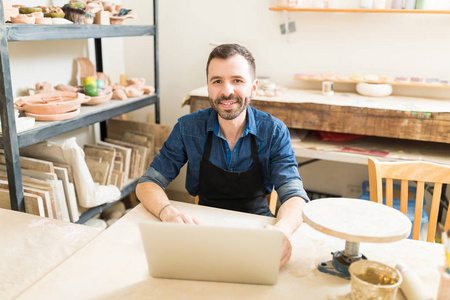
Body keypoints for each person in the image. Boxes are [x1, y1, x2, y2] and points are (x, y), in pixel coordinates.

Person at [136, 43, 309, 268]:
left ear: (253, 87)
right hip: (202, 230)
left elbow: (294, 194)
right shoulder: (188, 128)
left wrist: (282, 231)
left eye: (237, 80)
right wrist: (168, 213)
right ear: (208, 87)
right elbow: (147, 183)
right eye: (217, 81)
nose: (227, 91)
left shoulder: (274, 131)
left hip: (258, 231)